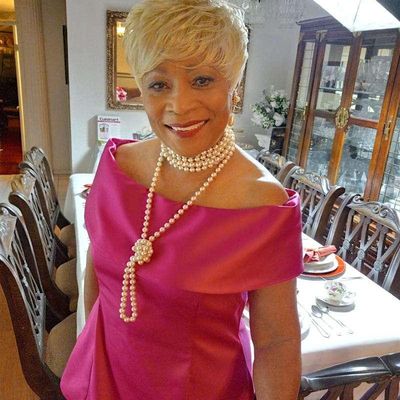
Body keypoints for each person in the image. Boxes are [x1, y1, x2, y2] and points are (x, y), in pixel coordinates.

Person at [61, 1, 303, 399]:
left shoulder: (263, 203)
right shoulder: (117, 165)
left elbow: (277, 342)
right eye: (159, 84)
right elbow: (99, 273)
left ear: (234, 84)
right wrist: (91, 350)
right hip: (106, 377)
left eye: (202, 80)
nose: (180, 105)